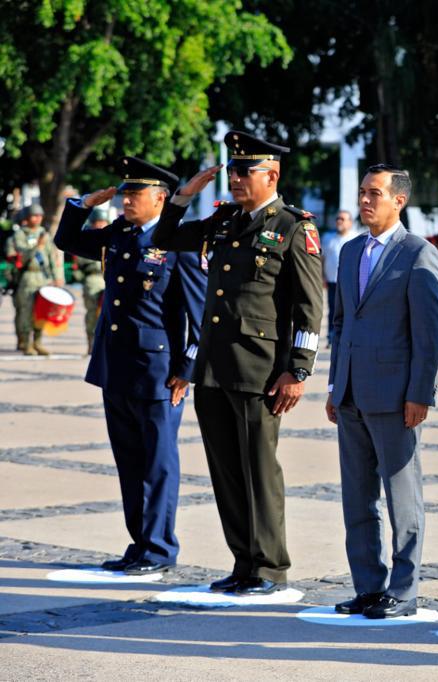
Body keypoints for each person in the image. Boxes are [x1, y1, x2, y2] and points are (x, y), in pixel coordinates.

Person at [152, 130, 323, 595]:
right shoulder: (223, 221)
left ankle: (270, 566)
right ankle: (243, 562)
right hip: (213, 365)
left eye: (245, 171)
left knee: (258, 470)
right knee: (225, 470)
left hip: (260, 370)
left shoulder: (293, 226)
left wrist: (299, 368)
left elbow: (310, 307)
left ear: (272, 174)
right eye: (232, 170)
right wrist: (184, 196)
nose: (236, 178)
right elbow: (165, 237)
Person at [54, 157, 206, 574]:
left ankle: (159, 548)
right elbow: (67, 241)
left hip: (159, 371)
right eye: (124, 194)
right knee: (128, 461)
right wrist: (83, 203)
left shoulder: (179, 242)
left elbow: (202, 313)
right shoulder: (119, 233)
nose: (125, 202)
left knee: (158, 464)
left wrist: (187, 369)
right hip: (116, 365)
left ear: (160, 198)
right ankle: (139, 543)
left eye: (134, 194)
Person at [325, 164, 438, 619]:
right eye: (362, 192)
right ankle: (368, 587)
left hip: (396, 398)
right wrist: (336, 385)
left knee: (402, 498)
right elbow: (340, 323)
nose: (365, 200)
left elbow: (429, 333)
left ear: (399, 200)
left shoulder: (418, 253)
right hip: (352, 393)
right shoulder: (352, 250)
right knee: (357, 497)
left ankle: (404, 589)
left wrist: (420, 394)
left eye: (375, 193)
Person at [6, 204, 61, 354]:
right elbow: (20, 259)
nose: (37, 219)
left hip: (42, 277)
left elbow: (52, 258)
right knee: (26, 310)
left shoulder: (45, 235)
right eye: (34, 216)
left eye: (40, 216)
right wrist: (36, 247)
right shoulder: (20, 235)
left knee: (41, 311)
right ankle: (26, 342)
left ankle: (38, 341)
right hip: (27, 277)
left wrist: (57, 277)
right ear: (26, 218)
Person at [77, 208, 111, 354]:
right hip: (93, 278)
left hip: (109, 278)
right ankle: (92, 343)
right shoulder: (87, 239)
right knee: (92, 313)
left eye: (103, 222)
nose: (100, 225)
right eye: (97, 222)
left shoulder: (112, 237)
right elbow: (78, 264)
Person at [321, 209, 358, 341]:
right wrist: (322, 277)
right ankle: (332, 335)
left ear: (350, 222)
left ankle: (349, 335)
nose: (339, 221)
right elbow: (323, 259)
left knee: (349, 308)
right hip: (332, 280)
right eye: (338, 218)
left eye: (342, 219)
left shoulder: (356, 238)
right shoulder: (327, 238)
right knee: (332, 308)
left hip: (350, 282)